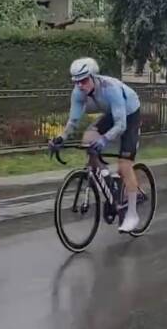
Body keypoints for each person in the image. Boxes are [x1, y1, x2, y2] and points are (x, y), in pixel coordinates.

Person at [51, 57, 145, 233]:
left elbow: (121, 125)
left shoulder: (110, 88)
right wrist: (61, 138)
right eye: (77, 81)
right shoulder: (78, 93)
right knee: (88, 138)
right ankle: (108, 179)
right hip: (113, 113)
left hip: (130, 114)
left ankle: (132, 214)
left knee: (125, 165)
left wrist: (104, 140)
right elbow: (74, 120)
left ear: (94, 77)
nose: (80, 85)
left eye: (84, 80)